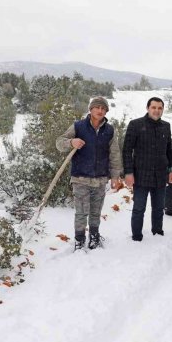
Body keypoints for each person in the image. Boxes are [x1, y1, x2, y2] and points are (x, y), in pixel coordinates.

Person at [56, 96, 122, 251]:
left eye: (103, 108)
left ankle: (94, 237)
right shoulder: (78, 126)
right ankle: (79, 240)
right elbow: (59, 142)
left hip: (100, 179)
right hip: (80, 178)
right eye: (97, 107)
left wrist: (114, 176)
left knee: (95, 212)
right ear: (90, 109)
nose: (100, 110)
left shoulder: (110, 130)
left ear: (106, 111)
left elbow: (114, 154)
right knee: (81, 212)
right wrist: (71, 142)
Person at [123, 97, 172, 242]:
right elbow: (127, 150)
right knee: (139, 208)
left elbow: (169, 150)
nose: (157, 111)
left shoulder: (166, 126)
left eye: (160, 108)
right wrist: (128, 172)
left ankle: (157, 233)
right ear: (148, 108)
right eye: (154, 107)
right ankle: (136, 237)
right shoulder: (135, 125)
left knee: (159, 208)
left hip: (160, 174)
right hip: (141, 175)